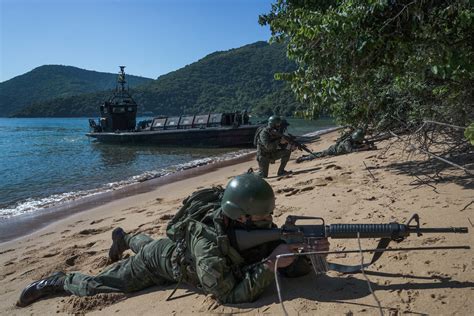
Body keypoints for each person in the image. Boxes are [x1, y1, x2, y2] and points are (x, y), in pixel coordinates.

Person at [17, 174, 330, 307]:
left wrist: (304, 255)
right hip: (159, 265)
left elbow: (283, 262)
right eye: (262, 219)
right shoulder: (208, 242)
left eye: (268, 217)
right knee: (104, 283)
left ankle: (124, 237)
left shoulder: (250, 223)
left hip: (171, 250)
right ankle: (58, 281)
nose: (269, 223)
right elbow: (227, 295)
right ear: (241, 216)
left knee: (146, 242)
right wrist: (272, 264)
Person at [296, 128, 372, 163]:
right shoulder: (347, 142)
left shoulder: (352, 140)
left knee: (320, 153)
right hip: (333, 150)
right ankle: (304, 158)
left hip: (335, 149)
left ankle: (306, 156)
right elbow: (350, 150)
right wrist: (363, 149)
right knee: (319, 155)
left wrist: (365, 146)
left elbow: (357, 146)